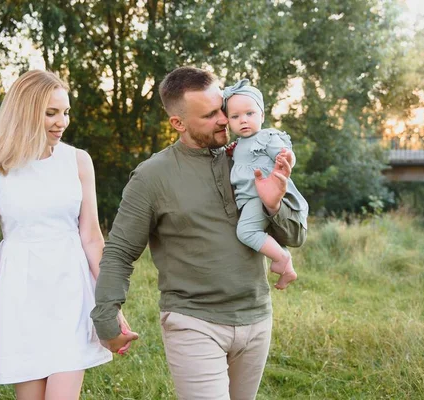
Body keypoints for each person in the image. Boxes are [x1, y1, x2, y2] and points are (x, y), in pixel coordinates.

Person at [91, 67, 308, 399]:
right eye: (210, 115)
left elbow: (295, 236)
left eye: (222, 108)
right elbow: (120, 252)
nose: (224, 119)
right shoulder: (152, 176)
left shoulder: (251, 158)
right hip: (193, 322)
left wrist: (274, 204)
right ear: (178, 123)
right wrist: (106, 317)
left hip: (256, 317)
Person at [0, 70, 125, 399]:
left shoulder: (78, 161)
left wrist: (111, 304)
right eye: (51, 113)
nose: (61, 121)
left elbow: (92, 237)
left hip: (71, 291)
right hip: (20, 296)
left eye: (65, 112)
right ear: (25, 111)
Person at [223, 79, 308, 290]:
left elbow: (288, 155)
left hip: (259, 196)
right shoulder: (238, 144)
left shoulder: (267, 136)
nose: (243, 120)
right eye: (235, 116)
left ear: (262, 115)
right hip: (247, 199)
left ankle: (282, 258)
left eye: (249, 114)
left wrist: (285, 160)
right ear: (228, 121)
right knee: (254, 231)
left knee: (246, 232)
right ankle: (284, 262)